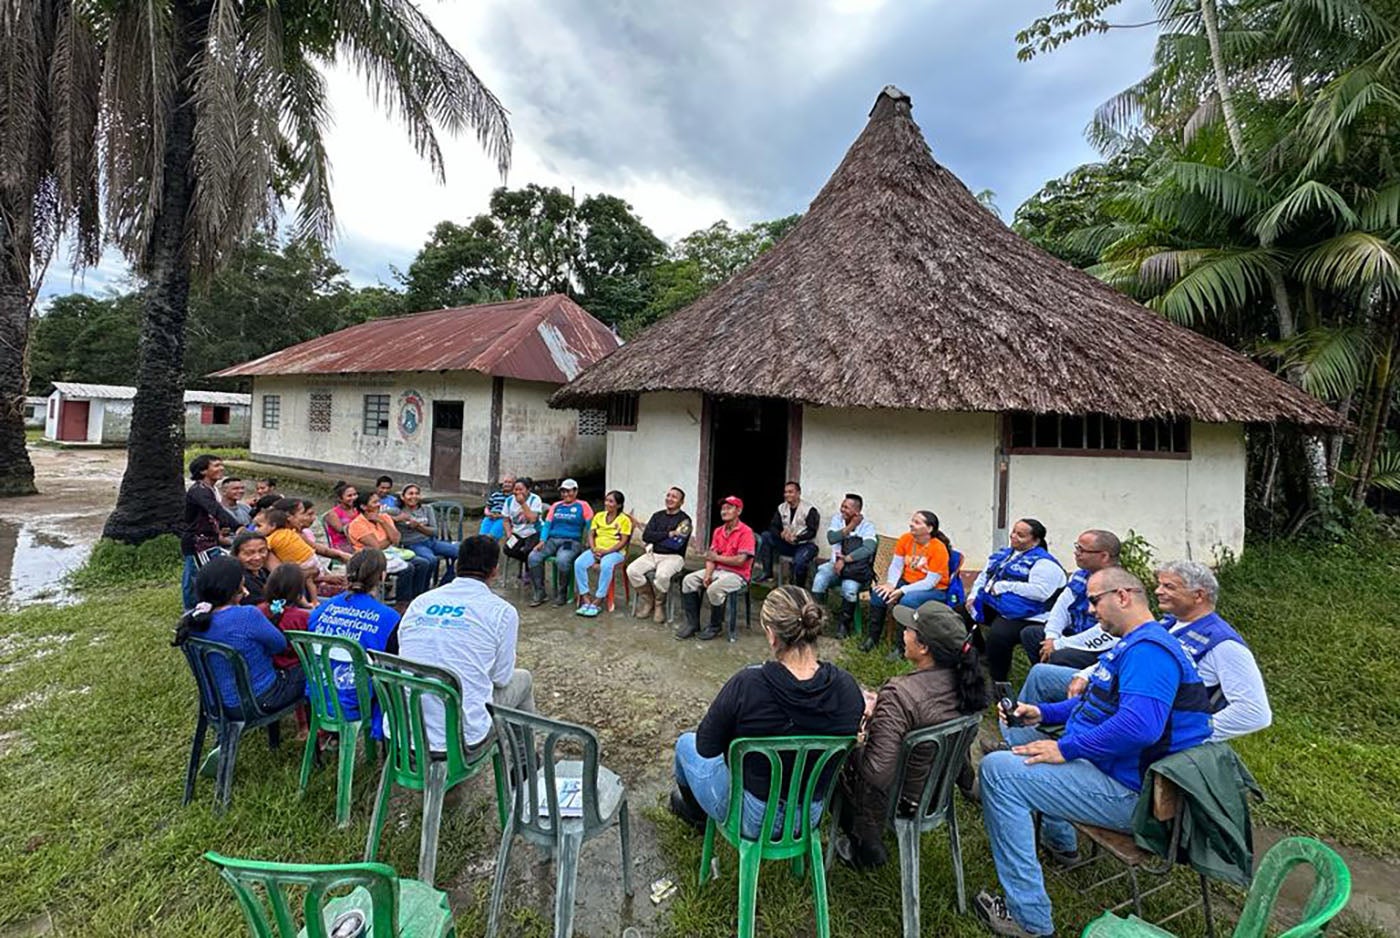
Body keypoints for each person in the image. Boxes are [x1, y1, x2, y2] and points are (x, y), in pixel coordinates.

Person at [975, 567, 1212, 938]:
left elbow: (1139, 726)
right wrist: (1044, 713)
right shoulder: (1135, 641)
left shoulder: (1150, 652)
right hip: (1115, 771)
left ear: (1122, 597)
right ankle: (1060, 844)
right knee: (1022, 736)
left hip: (1135, 794)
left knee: (998, 772)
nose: (1090, 610)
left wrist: (1066, 748)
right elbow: (1100, 703)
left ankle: (1029, 921)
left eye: (1095, 600)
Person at [669, 586, 864, 837]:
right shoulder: (847, 687)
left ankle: (695, 815)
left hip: (753, 819)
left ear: (772, 635)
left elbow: (706, 747)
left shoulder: (747, 684)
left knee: (686, 743)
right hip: (808, 816)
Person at [835, 600, 988, 867]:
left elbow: (876, 773)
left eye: (908, 629)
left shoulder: (901, 694)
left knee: (839, 758)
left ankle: (865, 846)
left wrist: (857, 740)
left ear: (924, 647)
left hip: (903, 803)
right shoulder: (967, 684)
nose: (903, 633)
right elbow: (958, 745)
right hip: (935, 795)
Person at [396, 535, 537, 756]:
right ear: (495, 571)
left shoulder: (421, 602)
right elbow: (501, 678)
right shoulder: (501, 611)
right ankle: (525, 761)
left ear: (458, 565)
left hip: (403, 730)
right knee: (524, 679)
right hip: (463, 736)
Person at [172, 556, 304, 717]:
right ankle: (322, 729)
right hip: (260, 699)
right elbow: (279, 645)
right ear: (236, 589)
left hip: (215, 704)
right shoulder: (247, 615)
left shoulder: (193, 619)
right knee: (312, 668)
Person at [1154, 560, 1271, 740]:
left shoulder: (1224, 644)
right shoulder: (1168, 623)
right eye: (1160, 585)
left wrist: (1186, 735)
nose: (1158, 591)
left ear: (1199, 595)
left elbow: (1254, 713)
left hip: (1161, 741)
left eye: (1169, 586)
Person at [308, 548, 401, 733]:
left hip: (318, 692)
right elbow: (393, 664)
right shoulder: (388, 618)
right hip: (357, 700)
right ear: (382, 576)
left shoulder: (323, 609)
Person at [967, 518, 1068, 682]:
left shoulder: (1045, 564)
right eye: (1013, 532)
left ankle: (998, 682)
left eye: (1020, 535)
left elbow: (1041, 592)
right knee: (962, 612)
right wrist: (972, 596)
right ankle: (979, 657)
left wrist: (1007, 586)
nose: (1013, 536)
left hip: (1033, 615)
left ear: (1035, 541)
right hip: (1002, 605)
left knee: (999, 634)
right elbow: (984, 576)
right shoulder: (1004, 555)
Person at [1019, 529, 1121, 670]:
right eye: (1077, 547)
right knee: (1031, 634)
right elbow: (1061, 609)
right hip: (1075, 634)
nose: (1076, 553)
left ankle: (1062, 683)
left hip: (1100, 647)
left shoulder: (1118, 585)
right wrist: (1051, 638)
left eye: (1082, 550)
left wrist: (1059, 645)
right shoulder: (1079, 576)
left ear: (1104, 556)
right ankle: (1044, 680)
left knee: (1059, 656)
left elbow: (1106, 633)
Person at [865, 510, 954, 655]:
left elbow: (930, 582)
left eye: (917, 522)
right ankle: (872, 638)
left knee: (907, 601)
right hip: (906, 582)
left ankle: (901, 647)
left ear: (929, 528)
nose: (911, 524)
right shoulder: (905, 539)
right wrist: (891, 584)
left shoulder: (938, 548)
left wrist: (902, 591)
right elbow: (896, 565)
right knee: (878, 594)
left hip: (934, 590)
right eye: (912, 521)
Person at [678, 496, 756, 641]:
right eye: (722, 508)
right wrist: (708, 575)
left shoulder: (746, 532)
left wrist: (717, 559)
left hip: (738, 575)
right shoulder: (718, 531)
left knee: (714, 589)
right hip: (718, 570)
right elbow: (710, 556)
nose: (724, 511)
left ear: (738, 511)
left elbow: (740, 560)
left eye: (729, 508)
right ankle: (693, 624)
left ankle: (715, 626)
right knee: (688, 581)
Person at [257, 563, 314, 738]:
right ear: (299, 591)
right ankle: (309, 727)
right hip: (297, 669)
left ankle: (302, 726)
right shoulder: (303, 617)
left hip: (271, 668)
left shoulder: (260, 611)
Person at [810, 494, 878, 639]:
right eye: (842, 506)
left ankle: (844, 625)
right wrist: (851, 526)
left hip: (854, 570)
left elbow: (869, 548)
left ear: (857, 511)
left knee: (850, 590)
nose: (842, 509)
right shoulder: (837, 519)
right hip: (834, 565)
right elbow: (832, 538)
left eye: (846, 507)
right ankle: (816, 621)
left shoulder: (867, 526)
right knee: (820, 579)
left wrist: (845, 560)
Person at [181, 454, 243, 609]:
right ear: (203, 471)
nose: (221, 468)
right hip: (198, 542)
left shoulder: (210, 489)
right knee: (200, 577)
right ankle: (193, 612)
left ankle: (201, 608)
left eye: (221, 464)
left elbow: (212, 515)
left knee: (196, 575)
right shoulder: (199, 490)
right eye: (216, 465)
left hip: (208, 540)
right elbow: (215, 510)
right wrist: (238, 527)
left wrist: (222, 529)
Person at [348, 492, 432, 604]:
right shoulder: (358, 524)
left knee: (423, 563)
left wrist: (382, 522)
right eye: (374, 502)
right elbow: (376, 547)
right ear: (364, 506)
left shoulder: (384, 517)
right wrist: (389, 539)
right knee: (408, 568)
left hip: (391, 553)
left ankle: (417, 598)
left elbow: (397, 539)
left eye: (379, 501)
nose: (379, 504)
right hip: (371, 558)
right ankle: (402, 602)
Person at [628, 487, 693, 623]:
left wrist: (656, 538)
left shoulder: (685, 520)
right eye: (668, 495)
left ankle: (659, 604)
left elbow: (676, 544)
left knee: (662, 576)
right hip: (653, 554)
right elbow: (646, 536)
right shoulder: (657, 516)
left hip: (674, 557)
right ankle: (649, 599)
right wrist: (669, 534)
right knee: (632, 571)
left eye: (674, 497)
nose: (669, 499)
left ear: (682, 502)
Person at [526, 478, 593, 607]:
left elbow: (591, 527)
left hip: (571, 541)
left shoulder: (583, 506)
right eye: (563, 491)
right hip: (552, 540)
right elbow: (547, 525)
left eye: (569, 491)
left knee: (562, 560)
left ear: (576, 491)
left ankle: (562, 593)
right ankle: (540, 592)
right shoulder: (556, 506)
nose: (566, 494)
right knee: (533, 557)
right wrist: (542, 541)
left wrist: (590, 542)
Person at [573, 490, 633, 617]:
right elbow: (591, 534)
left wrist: (607, 551)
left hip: (615, 552)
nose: (607, 503)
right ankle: (585, 597)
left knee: (606, 565)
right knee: (579, 563)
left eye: (611, 501)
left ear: (619, 505)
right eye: (606, 500)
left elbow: (623, 541)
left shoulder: (624, 520)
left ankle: (599, 599)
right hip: (597, 550)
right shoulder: (599, 516)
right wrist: (593, 548)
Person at [755, 481, 820, 586]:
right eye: (785, 492)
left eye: (791, 492)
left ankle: (799, 588)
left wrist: (797, 538)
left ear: (798, 493)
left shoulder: (809, 510)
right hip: (787, 544)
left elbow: (812, 532)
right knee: (766, 536)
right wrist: (781, 534)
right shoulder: (782, 507)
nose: (787, 495)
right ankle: (767, 572)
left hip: (804, 545)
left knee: (799, 563)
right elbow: (773, 526)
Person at [394, 484, 459, 586]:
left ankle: (446, 582)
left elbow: (434, 531)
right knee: (431, 560)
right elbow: (381, 516)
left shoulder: (426, 509)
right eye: (410, 494)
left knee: (461, 551)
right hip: (413, 544)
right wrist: (396, 519)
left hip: (431, 541)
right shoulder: (397, 511)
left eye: (417, 494)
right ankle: (424, 588)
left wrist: (418, 526)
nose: (414, 497)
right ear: (403, 497)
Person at [500, 477, 544, 568]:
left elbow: (533, 519)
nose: (518, 492)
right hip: (517, 532)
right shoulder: (509, 501)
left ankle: (528, 569)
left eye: (521, 489)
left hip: (533, 531)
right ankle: (528, 563)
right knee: (507, 549)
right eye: (516, 489)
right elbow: (506, 520)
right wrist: (509, 535)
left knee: (528, 550)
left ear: (528, 490)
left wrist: (523, 503)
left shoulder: (535, 499)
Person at [232, 531, 271, 605]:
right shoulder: (241, 581)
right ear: (236, 555)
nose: (258, 557)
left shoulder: (264, 572)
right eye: (249, 553)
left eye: (262, 551)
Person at [325, 482, 359, 553]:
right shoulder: (332, 514)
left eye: (355, 494)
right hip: (341, 546)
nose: (353, 498)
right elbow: (341, 531)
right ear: (340, 499)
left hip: (357, 541)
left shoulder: (357, 509)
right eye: (349, 496)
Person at [481, 475, 515, 540]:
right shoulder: (496, 494)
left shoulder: (513, 497)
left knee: (491, 537)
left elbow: (513, 512)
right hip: (490, 517)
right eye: (505, 482)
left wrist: (499, 516)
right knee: (482, 537)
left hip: (503, 518)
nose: (507, 484)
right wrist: (488, 513)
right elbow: (487, 507)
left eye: (509, 482)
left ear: (514, 484)